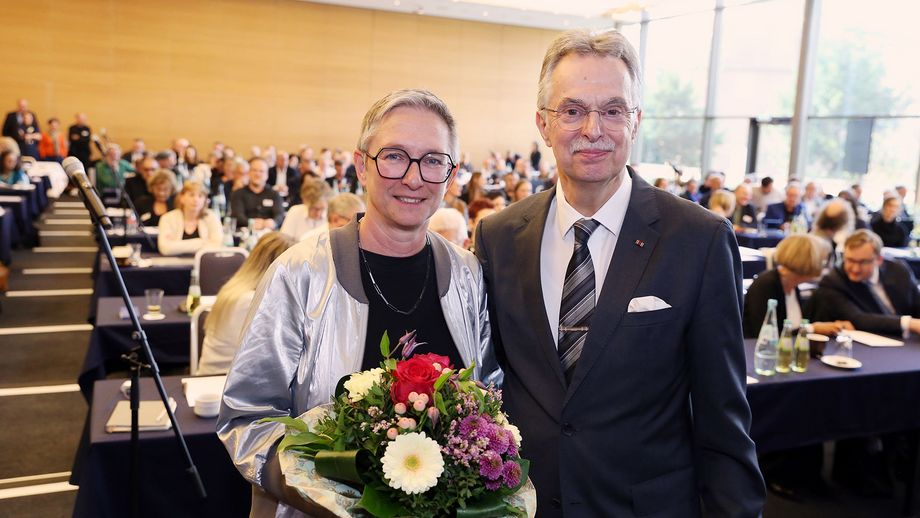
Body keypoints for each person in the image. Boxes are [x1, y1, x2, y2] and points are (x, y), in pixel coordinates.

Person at [475, 30, 764, 517]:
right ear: (543, 125)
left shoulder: (699, 239)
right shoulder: (499, 236)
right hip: (523, 505)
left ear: (636, 121)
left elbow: (723, 418)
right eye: (572, 111)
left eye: (613, 110)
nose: (593, 129)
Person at [218, 89, 499, 517]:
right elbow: (247, 418)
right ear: (360, 166)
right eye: (394, 156)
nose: (412, 177)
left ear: (451, 174)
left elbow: (488, 398)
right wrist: (327, 495)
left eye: (433, 160)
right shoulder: (301, 274)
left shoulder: (467, 274)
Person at [196, 232, 296, 375]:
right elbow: (271, 357)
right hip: (223, 382)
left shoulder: (236, 289)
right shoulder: (249, 301)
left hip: (220, 378)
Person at [812, 229, 920, 335]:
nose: (855, 269)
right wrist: (908, 323)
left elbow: (917, 303)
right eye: (850, 260)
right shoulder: (834, 281)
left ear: (879, 260)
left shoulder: (897, 270)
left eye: (863, 262)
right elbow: (858, 319)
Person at [742, 234, 852, 338]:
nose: (824, 266)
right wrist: (812, 328)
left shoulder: (793, 285)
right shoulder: (766, 284)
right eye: (822, 262)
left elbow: (795, 328)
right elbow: (764, 336)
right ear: (808, 262)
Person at [157, 180, 224, 256]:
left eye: (200, 196)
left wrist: (176, 245)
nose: (196, 199)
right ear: (182, 198)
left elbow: (217, 245)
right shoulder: (167, 218)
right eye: (191, 195)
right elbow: (165, 248)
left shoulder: (211, 217)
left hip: (205, 264)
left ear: (205, 200)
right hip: (174, 265)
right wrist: (201, 242)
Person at [229, 157, 284, 230]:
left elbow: (279, 215)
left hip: (269, 234)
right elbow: (237, 215)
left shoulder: (274, 194)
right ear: (248, 173)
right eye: (254, 170)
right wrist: (251, 223)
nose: (257, 174)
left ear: (267, 175)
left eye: (261, 171)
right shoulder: (238, 194)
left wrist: (273, 222)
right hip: (245, 233)